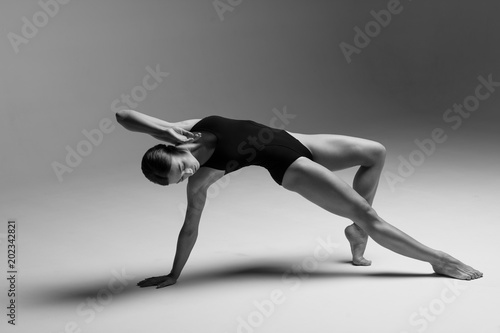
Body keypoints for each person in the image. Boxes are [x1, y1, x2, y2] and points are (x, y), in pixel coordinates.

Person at [115, 109, 483, 289]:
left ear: (174, 149)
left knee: (375, 152)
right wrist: (174, 273)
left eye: (183, 168)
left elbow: (122, 115)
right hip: (289, 164)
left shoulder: (185, 129)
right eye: (181, 179)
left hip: (296, 138)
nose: (190, 174)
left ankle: (356, 232)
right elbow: (189, 228)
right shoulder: (200, 182)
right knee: (370, 214)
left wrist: (160, 126)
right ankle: (439, 260)